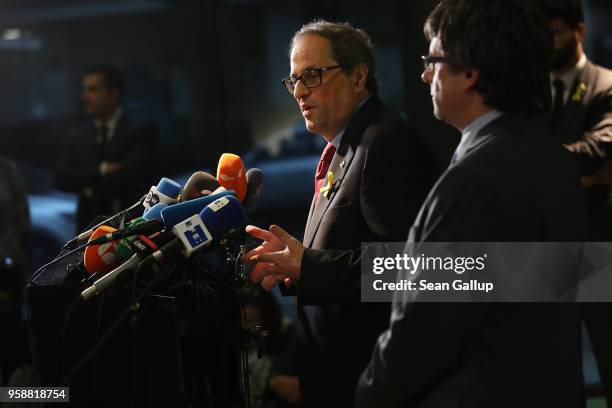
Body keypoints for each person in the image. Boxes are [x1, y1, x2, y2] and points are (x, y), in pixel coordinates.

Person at [352, 0, 587, 406]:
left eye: (434, 60)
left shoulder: (473, 182)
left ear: (470, 73)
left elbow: (421, 334)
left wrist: (368, 394)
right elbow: (497, 280)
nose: (425, 75)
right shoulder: (552, 158)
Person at [244, 21, 438, 407]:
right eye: (294, 79)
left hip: (373, 381)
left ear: (358, 75)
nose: (299, 91)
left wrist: (310, 267)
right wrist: (296, 266)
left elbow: (409, 267)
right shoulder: (346, 146)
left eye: (312, 76)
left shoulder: (385, 143)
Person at [541, 1, 612, 403]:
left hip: (600, 244)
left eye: (555, 33)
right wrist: (579, 176)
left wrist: (536, 165)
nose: (547, 44)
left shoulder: (606, 85)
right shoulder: (531, 95)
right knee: (557, 375)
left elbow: (598, 149)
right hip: (550, 253)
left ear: (579, 32)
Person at [55, 64, 158, 232]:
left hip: (132, 230)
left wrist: (87, 188)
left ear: (113, 94)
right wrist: (102, 170)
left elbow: (130, 177)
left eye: (93, 89)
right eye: (84, 90)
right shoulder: (78, 137)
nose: (85, 96)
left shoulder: (141, 130)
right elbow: (61, 178)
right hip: (88, 233)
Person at [241, 283, 301, 408]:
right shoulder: (226, 348)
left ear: (266, 319)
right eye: (241, 323)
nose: (246, 330)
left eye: (252, 322)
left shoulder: (289, 336)